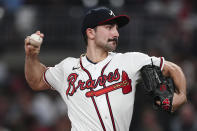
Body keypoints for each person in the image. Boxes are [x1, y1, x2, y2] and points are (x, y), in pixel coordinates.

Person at [24, 7, 187, 131]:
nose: (116, 33)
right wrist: (31, 56)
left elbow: (172, 68)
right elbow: (36, 81)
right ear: (91, 33)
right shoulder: (67, 67)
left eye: (116, 28)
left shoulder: (130, 60)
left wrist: (182, 95)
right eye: (109, 27)